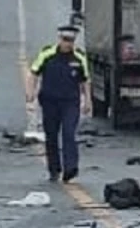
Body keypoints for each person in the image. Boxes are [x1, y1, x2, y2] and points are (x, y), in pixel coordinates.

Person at [26, 25, 91, 182]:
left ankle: (71, 168)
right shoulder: (47, 54)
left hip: (70, 102)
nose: (67, 44)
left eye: (70, 41)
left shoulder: (79, 58)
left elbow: (85, 80)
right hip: (49, 101)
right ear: (59, 39)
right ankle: (54, 169)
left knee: (69, 133)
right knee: (51, 135)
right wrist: (30, 93)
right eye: (64, 40)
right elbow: (34, 72)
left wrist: (88, 100)